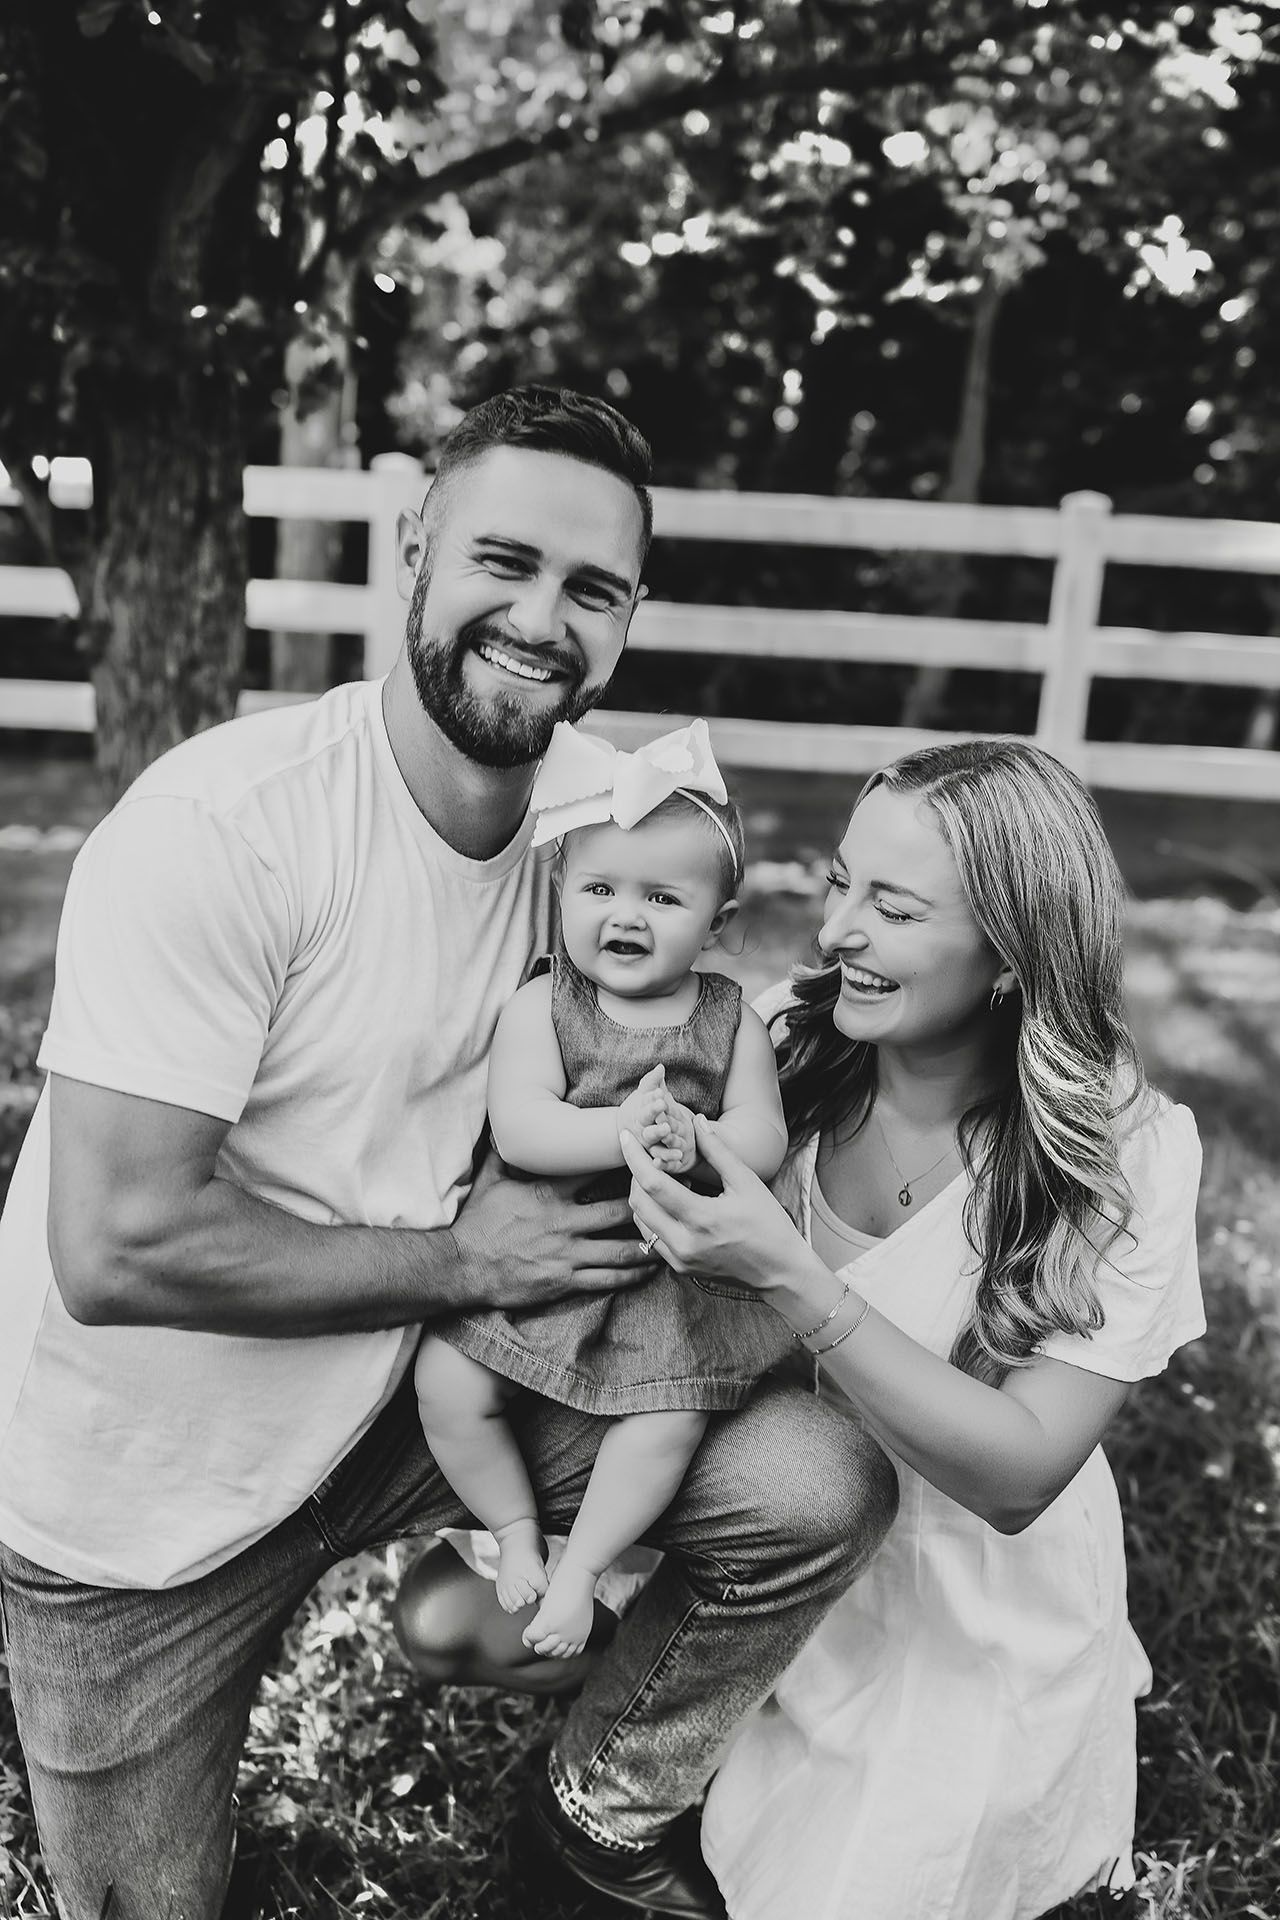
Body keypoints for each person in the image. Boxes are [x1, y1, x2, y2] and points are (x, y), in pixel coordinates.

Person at [0, 385, 898, 1920]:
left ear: (628, 619)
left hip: (449, 1374)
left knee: (809, 1480)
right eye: (504, 560)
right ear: (411, 545)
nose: (542, 619)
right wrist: (467, 1259)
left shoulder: (602, 828)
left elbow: (759, 980)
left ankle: (599, 1805)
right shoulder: (228, 829)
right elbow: (115, 1247)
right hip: (142, 1500)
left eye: (592, 589)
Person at [619, 738, 1204, 1920]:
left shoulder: (1123, 1155)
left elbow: (1020, 1475)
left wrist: (792, 1277)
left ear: (1007, 951)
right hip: (777, 1532)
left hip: (968, 1607)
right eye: (840, 883)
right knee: (455, 1623)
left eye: (891, 908)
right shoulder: (778, 1048)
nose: (835, 932)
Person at [415, 717, 793, 1661]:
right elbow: (524, 1128)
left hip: (667, 1276)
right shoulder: (543, 1005)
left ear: (720, 925)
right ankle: (510, 1528)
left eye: (662, 896)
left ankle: (582, 1569)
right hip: (535, 1248)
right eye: (600, 888)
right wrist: (625, 1132)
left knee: (665, 1418)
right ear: (560, 895)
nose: (625, 914)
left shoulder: (728, 1019)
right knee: (447, 1381)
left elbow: (765, 1136)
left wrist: (702, 1137)